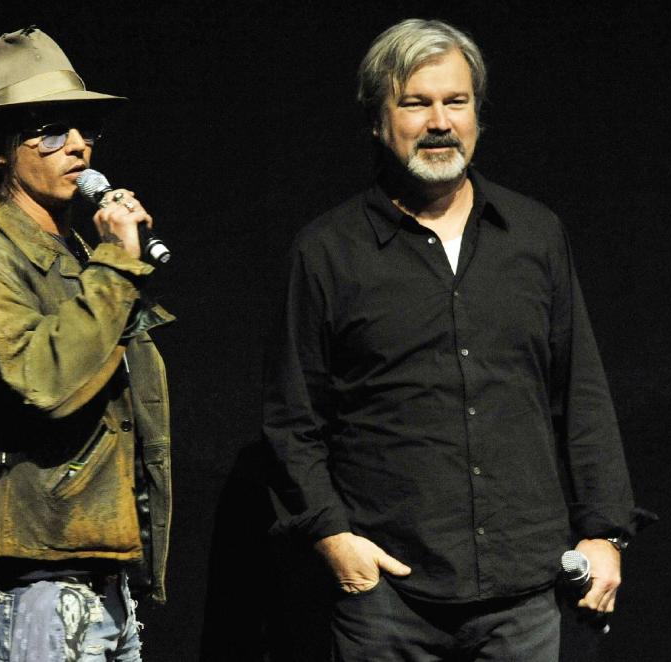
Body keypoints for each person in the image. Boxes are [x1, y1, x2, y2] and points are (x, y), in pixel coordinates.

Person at [263, 18, 648, 661]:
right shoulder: (327, 251)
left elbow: (581, 394)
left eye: (455, 101)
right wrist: (333, 539)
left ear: (477, 114)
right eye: (415, 103)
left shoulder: (533, 234)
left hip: (526, 595)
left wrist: (606, 534)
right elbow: (293, 419)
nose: (438, 120)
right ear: (379, 118)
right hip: (388, 598)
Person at [0, 27, 174, 661]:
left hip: (97, 567)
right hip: (34, 576)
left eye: (84, 129)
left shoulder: (78, 256)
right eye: (50, 130)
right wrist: (119, 266)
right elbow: (45, 382)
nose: (79, 146)